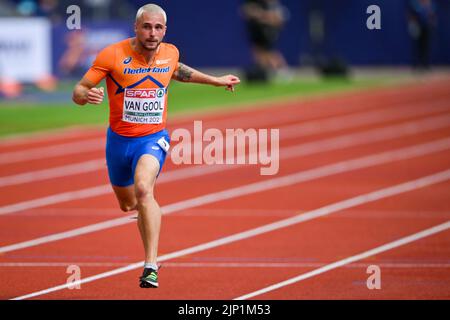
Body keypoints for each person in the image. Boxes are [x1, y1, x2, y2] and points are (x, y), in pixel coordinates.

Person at [72, 3, 240, 288]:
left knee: (144, 189)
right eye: (147, 26)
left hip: (153, 139)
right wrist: (84, 96)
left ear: (165, 30)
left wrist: (215, 81)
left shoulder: (170, 52)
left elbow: (178, 70)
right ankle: (147, 213)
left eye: (158, 27)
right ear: (136, 28)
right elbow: (79, 88)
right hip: (118, 142)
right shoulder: (112, 55)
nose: (152, 33)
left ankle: (150, 265)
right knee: (128, 205)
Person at [240, 0, 289, 81]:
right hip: (256, 30)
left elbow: (277, 19)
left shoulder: (271, 5)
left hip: (266, 31)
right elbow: (245, 11)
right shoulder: (254, 3)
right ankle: (264, 73)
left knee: (269, 52)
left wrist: (262, 16)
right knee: (258, 53)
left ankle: (283, 71)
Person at [407, 0, 437, 70]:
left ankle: (425, 65)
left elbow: (433, 15)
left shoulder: (430, 4)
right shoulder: (415, 4)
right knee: (417, 47)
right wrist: (412, 24)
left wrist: (432, 22)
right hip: (418, 27)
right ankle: (416, 65)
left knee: (426, 47)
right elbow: (411, 15)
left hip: (426, 27)